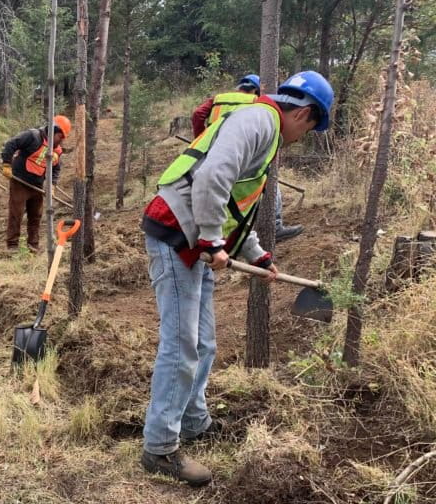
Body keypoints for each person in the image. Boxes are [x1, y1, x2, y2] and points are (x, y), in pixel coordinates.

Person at [139, 71, 334, 487]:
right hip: (178, 235)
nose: (305, 137)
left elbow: (235, 206)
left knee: (203, 343)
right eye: (313, 128)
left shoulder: (263, 130)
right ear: (304, 114)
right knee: (181, 344)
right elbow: (211, 179)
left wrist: (257, 255)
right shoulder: (258, 122)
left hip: (199, 240)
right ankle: (160, 448)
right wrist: (211, 241)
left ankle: (194, 423)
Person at [192, 74, 304, 243]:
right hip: (244, 155)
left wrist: (201, 138)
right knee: (265, 184)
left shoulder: (219, 98)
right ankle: (275, 224)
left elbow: (197, 114)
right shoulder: (257, 103)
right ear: (254, 89)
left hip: (212, 152)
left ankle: (230, 234)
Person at [1, 115, 72, 252]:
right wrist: (6, 164)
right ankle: (12, 245)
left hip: (37, 185)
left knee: (36, 215)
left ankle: (33, 244)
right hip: (20, 181)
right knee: (17, 213)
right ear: (52, 130)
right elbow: (11, 144)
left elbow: (56, 168)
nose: (61, 140)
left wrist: (52, 185)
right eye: (60, 136)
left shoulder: (56, 150)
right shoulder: (33, 136)